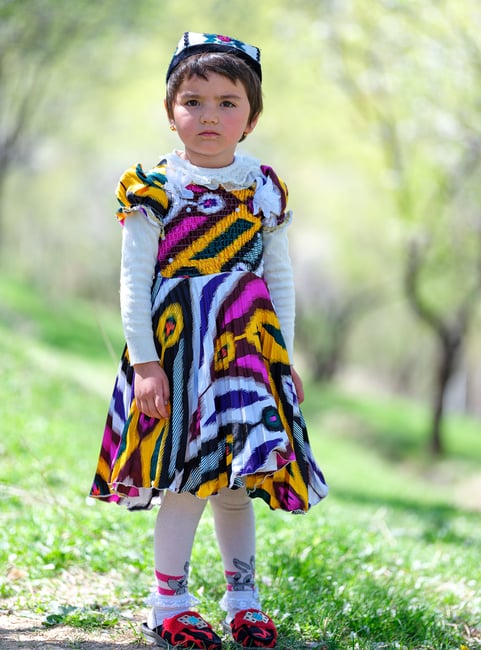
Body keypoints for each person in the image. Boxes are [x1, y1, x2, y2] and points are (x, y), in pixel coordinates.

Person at [90, 32, 328, 649]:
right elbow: (133, 281)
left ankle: (242, 599)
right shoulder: (154, 186)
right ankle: (167, 601)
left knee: (234, 485)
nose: (209, 115)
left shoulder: (262, 187)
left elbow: (279, 277)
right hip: (176, 354)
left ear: (251, 118)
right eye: (193, 101)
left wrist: (285, 358)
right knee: (186, 480)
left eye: (228, 102)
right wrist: (145, 363)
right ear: (171, 111)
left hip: (246, 355)